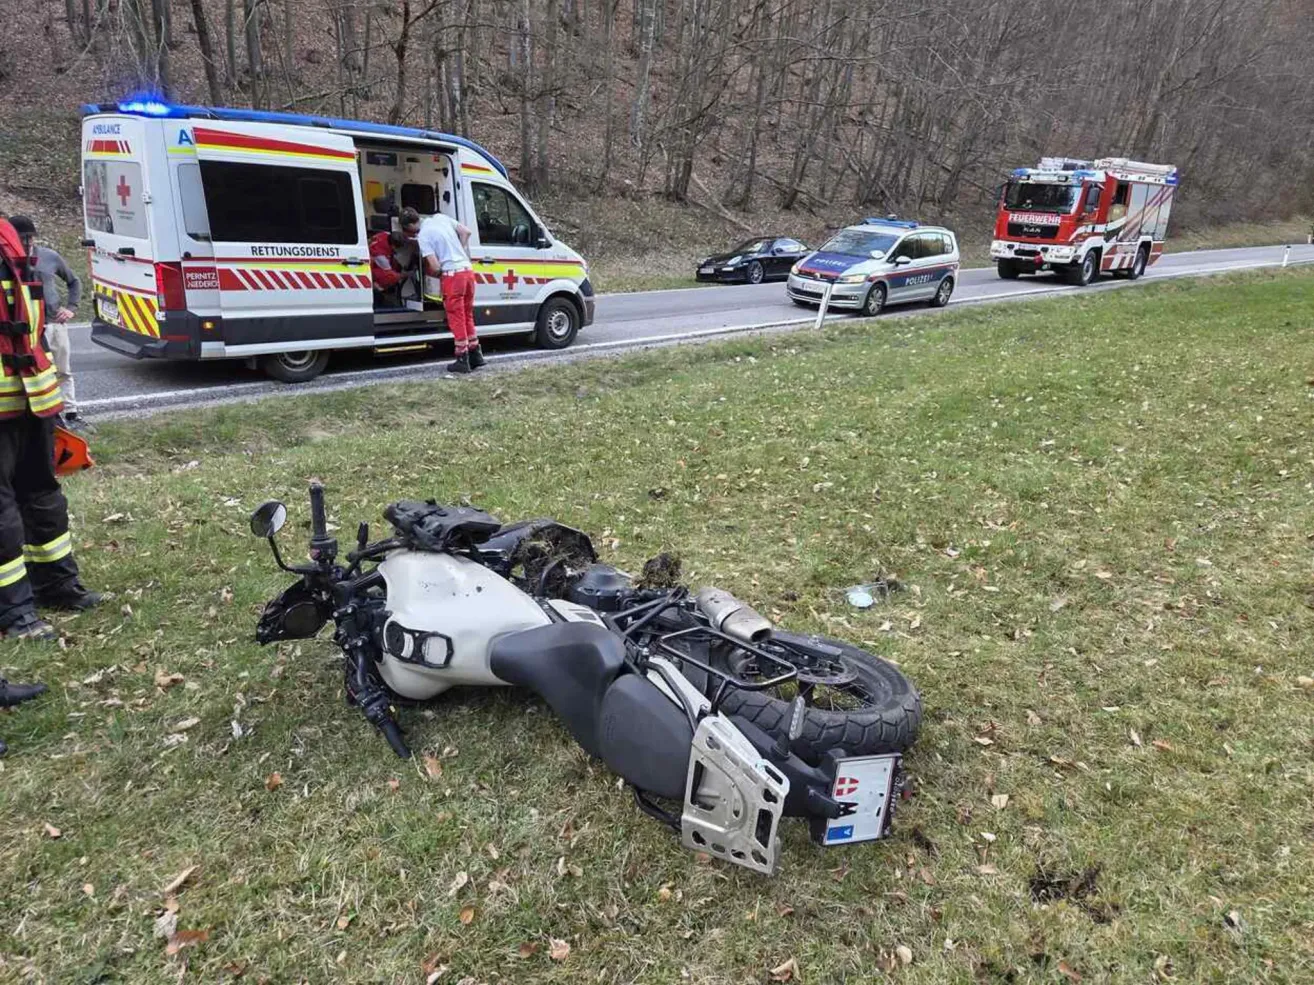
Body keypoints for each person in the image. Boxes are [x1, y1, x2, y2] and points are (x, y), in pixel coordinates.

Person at [0, 214, 103, 642]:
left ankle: (56, 586)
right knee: (2, 513)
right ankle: (15, 611)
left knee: (43, 495)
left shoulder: (6, 232)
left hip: (31, 396)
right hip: (15, 397)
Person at [8, 216, 83, 428]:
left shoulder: (50, 257)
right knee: (37, 373)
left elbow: (74, 282)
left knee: (62, 370)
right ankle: (41, 416)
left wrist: (71, 309)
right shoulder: (7, 262)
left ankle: (71, 413)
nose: (27, 242)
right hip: (26, 329)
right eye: (22, 238)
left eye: (30, 237)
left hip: (54, 324)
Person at [411, 207, 483, 374]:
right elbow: (466, 232)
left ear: (408, 227)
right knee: (467, 314)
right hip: (467, 271)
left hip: (453, 276)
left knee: (456, 316)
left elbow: (435, 266)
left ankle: (462, 359)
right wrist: (461, 250)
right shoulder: (441, 218)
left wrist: (435, 272)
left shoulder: (423, 236)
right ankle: (476, 355)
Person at [369, 228, 411, 307]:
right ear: (393, 246)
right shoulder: (381, 257)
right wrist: (406, 275)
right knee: (391, 276)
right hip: (370, 271)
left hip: (373, 261)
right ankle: (380, 289)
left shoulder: (385, 235)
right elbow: (389, 272)